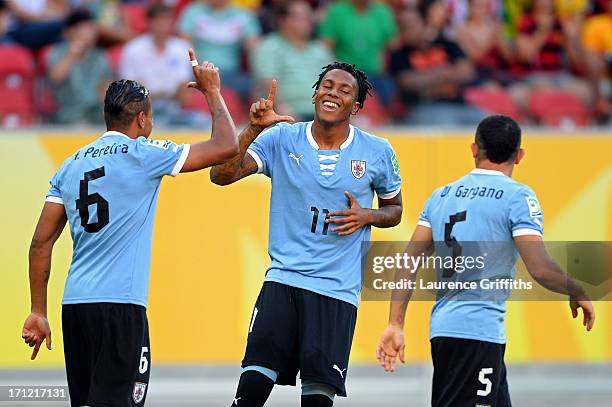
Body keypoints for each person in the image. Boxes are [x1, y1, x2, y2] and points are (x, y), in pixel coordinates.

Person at [21, 49, 239, 407]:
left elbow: (40, 243)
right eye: (150, 119)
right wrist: (212, 91)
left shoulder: (70, 165)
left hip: (74, 306)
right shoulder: (143, 153)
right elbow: (226, 146)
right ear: (141, 119)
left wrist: (38, 311)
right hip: (119, 306)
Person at [210, 62, 403, 406]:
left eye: (344, 91)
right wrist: (252, 129)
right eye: (327, 86)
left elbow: (395, 210)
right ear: (315, 94)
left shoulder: (378, 151)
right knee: (249, 395)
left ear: (356, 108)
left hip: (336, 291)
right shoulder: (282, 137)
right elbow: (221, 176)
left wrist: (366, 215)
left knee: (316, 400)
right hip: (283, 281)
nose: (333, 93)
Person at [376, 115, 595, 407]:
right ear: (519, 156)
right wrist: (577, 290)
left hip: (445, 329)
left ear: (473, 149)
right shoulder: (518, 197)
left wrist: (395, 323)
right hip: (477, 332)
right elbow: (540, 268)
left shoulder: (441, 196)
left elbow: (409, 260)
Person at [389, 5, 481, 126]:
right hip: (423, 109)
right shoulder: (399, 55)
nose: (406, 32)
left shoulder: (447, 45)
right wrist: (445, 72)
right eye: (402, 28)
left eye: (411, 26)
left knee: (489, 124)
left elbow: (467, 72)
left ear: (425, 24)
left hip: (459, 105)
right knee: (448, 125)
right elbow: (407, 82)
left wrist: (427, 80)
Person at [120, 4, 210, 128]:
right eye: (159, 20)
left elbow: (183, 88)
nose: (163, 25)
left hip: (175, 108)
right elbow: (131, 89)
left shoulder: (182, 48)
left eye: (167, 20)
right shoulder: (133, 49)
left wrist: (172, 94)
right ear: (149, 22)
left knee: (204, 122)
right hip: (142, 110)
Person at [251, 0, 332, 121]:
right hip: (286, 114)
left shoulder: (320, 49)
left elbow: (335, 80)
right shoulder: (269, 46)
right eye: (302, 17)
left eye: (310, 16)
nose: (309, 21)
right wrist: (284, 111)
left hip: (323, 112)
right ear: (283, 21)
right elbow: (268, 83)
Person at [318, 0, 398, 105]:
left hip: (376, 74)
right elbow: (325, 46)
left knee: (389, 94)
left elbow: (394, 44)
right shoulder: (337, 11)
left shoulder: (382, 11)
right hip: (346, 74)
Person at [178, 0, 261, 99]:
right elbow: (183, 45)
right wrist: (199, 70)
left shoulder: (243, 16)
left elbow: (255, 48)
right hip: (199, 73)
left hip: (232, 75)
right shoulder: (193, 12)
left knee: (257, 85)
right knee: (182, 83)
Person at [46, 8, 112, 125]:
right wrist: (72, 54)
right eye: (84, 28)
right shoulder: (56, 53)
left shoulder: (100, 56)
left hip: (95, 113)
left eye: (91, 28)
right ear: (69, 31)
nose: (89, 33)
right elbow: (55, 78)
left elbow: (106, 87)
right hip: (67, 113)